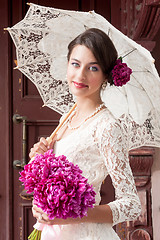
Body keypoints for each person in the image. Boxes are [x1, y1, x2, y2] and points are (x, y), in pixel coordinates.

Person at [29, 28, 141, 239]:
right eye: (75, 64)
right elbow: (57, 185)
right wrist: (39, 162)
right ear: (67, 64)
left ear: (106, 75)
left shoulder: (107, 127)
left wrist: (68, 216)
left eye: (93, 68)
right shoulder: (66, 118)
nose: (80, 75)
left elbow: (131, 205)